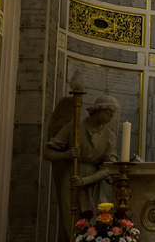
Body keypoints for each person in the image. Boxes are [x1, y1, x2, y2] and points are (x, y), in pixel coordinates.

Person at [44, 95, 119, 241]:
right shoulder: (74, 128)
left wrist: (84, 181)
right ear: (98, 110)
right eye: (108, 113)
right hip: (71, 181)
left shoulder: (110, 136)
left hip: (93, 183)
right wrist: (67, 154)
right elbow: (47, 153)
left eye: (112, 114)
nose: (110, 118)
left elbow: (108, 169)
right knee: (71, 225)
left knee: (96, 225)